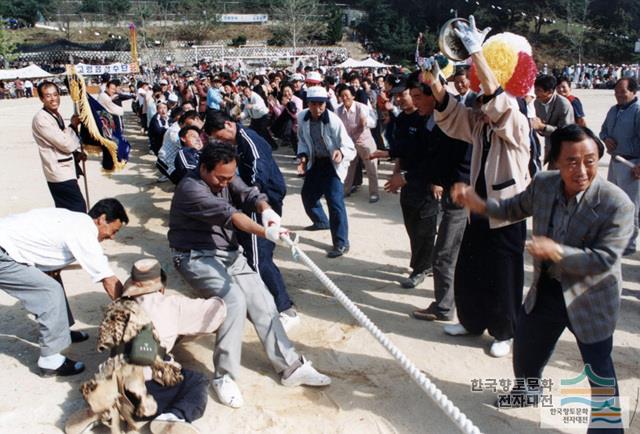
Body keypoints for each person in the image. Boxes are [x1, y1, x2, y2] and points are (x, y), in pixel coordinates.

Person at [453, 126, 633, 434]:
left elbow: (604, 259)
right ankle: (527, 391)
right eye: (571, 161)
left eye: (589, 160)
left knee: (598, 367)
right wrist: (481, 205)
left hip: (591, 297)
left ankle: (608, 428)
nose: (581, 170)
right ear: (555, 162)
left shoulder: (617, 204)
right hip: (548, 289)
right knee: (526, 349)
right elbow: (514, 207)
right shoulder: (544, 183)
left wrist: (557, 251)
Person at [169, 144, 330, 409]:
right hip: (195, 256)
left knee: (262, 299)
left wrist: (266, 210)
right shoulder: (191, 188)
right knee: (233, 300)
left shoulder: (228, 174)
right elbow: (231, 216)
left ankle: (290, 367)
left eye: (229, 177)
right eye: (220, 178)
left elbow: (248, 193)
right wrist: (266, 232)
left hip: (231, 254)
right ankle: (224, 377)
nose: (225, 183)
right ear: (204, 168)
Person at [426, 16, 532, 358]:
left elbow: (497, 100)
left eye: (484, 104)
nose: (479, 110)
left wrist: (477, 54)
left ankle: (506, 331)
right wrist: (436, 82)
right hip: (478, 209)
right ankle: (472, 321)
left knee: (504, 274)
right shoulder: (481, 123)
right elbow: (453, 117)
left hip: (508, 212)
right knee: (470, 267)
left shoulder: (515, 120)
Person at [66, 257, 226, 434]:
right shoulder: (173, 304)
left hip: (111, 385)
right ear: (162, 287)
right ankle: (173, 417)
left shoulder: (115, 307)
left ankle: (101, 409)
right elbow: (217, 311)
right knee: (197, 381)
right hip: (146, 394)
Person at [0, 198, 128, 376]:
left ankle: (61, 332)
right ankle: (50, 361)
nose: (112, 237)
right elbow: (108, 280)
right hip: (2, 250)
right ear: (102, 219)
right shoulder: (85, 231)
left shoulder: (75, 220)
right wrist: (131, 312)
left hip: (7, 244)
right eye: (113, 230)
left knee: (53, 279)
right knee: (50, 291)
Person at [204, 112, 299, 329]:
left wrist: (254, 195)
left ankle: (285, 309)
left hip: (261, 202)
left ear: (229, 124)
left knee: (258, 258)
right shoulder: (235, 140)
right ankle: (260, 297)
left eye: (220, 136)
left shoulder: (249, 139)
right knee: (252, 253)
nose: (221, 142)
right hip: (252, 202)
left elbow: (259, 168)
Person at [405, 74, 470, 319]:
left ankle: (445, 308)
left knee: (443, 254)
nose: (414, 102)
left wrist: (411, 177)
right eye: (412, 97)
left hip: (461, 194)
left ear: (435, 95)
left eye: (418, 97)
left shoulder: (453, 119)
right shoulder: (430, 120)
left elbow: (446, 159)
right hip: (451, 191)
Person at [296, 86, 356, 258]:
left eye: (321, 104)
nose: (318, 108)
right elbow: (302, 140)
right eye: (314, 104)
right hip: (315, 163)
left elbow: (348, 146)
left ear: (325, 103)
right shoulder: (302, 117)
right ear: (308, 104)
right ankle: (321, 221)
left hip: (332, 165)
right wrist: (302, 157)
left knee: (335, 203)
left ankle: (341, 242)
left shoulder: (334, 121)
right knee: (308, 195)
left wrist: (340, 152)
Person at [599, 77, 640, 255]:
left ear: (633, 92)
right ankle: (616, 238)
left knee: (630, 207)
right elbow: (603, 130)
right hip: (615, 162)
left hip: (632, 165)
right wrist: (606, 138)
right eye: (616, 92)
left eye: (623, 92)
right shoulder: (613, 110)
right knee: (613, 203)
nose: (619, 96)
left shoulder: (638, 112)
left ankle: (629, 244)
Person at [32, 80, 87, 213]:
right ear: (41, 98)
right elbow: (64, 143)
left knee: (68, 211)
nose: (53, 99)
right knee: (77, 209)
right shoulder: (41, 119)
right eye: (48, 96)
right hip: (59, 172)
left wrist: (76, 154)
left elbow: (60, 142)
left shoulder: (54, 114)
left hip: (66, 169)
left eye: (55, 94)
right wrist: (73, 126)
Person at [335, 85, 380, 203]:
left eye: (347, 96)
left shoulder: (362, 107)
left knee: (371, 167)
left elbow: (373, 121)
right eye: (342, 96)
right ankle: (345, 190)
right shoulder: (338, 110)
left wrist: (365, 122)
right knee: (349, 166)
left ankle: (374, 193)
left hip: (364, 141)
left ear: (353, 96)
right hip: (349, 142)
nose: (345, 98)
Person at [532, 74, 574, 166]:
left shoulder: (563, 104)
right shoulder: (537, 103)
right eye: (535, 89)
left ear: (550, 91)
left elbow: (566, 132)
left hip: (564, 149)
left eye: (539, 90)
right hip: (549, 148)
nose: (535, 93)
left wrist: (542, 127)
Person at [237, 81, 277, 150]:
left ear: (250, 91)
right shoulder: (246, 100)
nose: (246, 93)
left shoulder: (256, 96)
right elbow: (246, 111)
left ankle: (273, 146)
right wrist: (241, 116)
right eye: (245, 92)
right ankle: (255, 145)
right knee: (251, 131)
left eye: (247, 91)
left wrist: (252, 106)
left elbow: (260, 105)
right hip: (255, 118)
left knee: (263, 132)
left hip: (263, 116)